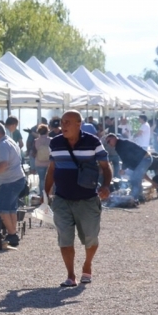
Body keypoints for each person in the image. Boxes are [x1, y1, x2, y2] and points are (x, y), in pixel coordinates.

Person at [43, 110, 111, 288]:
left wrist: (106, 185)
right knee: (64, 239)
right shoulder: (55, 143)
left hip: (87, 199)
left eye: (67, 122)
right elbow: (51, 170)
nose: (63, 126)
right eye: (61, 122)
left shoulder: (92, 141)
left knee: (91, 238)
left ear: (78, 124)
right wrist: (45, 194)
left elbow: (105, 166)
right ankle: (70, 275)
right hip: (62, 199)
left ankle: (87, 264)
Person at [103, 133, 153, 202]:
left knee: (135, 178)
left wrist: (123, 169)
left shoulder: (120, 145)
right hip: (142, 160)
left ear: (114, 138)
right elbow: (128, 159)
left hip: (145, 159)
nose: (109, 144)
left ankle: (134, 198)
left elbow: (126, 158)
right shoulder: (120, 145)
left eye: (109, 141)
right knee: (135, 177)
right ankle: (139, 196)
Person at [31, 124, 52, 198]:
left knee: (42, 179)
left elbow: (33, 154)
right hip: (49, 163)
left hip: (39, 163)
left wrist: (32, 167)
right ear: (47, 131)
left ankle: (42, 196)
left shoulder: (36, 141)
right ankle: (49, 194)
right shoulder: (51, 140)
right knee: (50, 179)